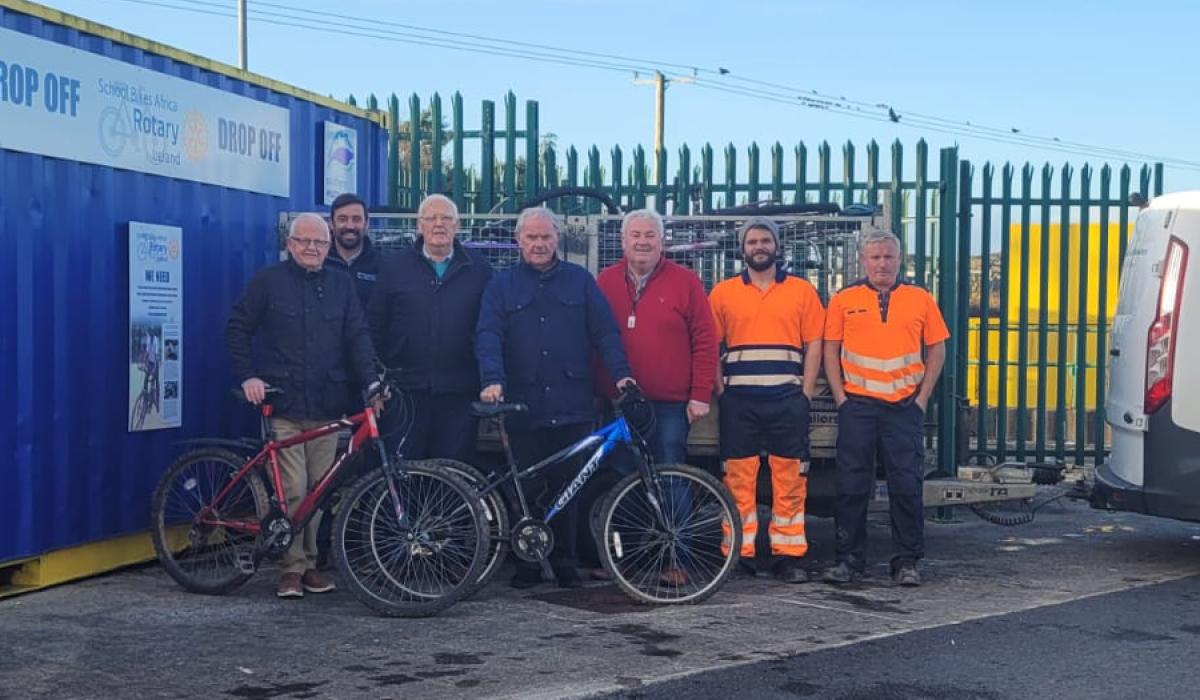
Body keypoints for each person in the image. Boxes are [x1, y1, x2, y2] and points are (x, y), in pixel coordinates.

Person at [476, 207, 634, 589]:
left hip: (572, 403)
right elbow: (488, 335)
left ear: (557, 239)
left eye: (545, 236)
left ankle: (564, 560)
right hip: (524, 405)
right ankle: (529, 561)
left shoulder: (580, 282)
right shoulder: (502, 286)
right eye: (531, 237)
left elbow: (606, 334)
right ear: (518, 241)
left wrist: (621, 376)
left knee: (571, 485)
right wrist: (492, 380)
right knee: (527, 488)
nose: (539, 243)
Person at [225, 212, 378, 599]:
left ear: (329, 248)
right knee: (293, 489)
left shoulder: (342, 286)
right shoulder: (269, 282)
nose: (311, 248)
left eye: (319, 243)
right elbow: (238, 327)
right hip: (285, 404)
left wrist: (372, 381)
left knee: (320, 490)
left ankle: (310, 563)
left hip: (328, 404)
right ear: (290, 244)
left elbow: (357, 337)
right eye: (303, 242)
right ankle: (290, 569)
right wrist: (248, 377)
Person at [591, 209, 718, 583]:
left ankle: (675, 560)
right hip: (618, 403)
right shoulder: (606, 281)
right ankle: (623, 560)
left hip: (669, 403)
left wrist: (699, 394)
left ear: (662, 242)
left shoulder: (686, 282)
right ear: (623, 241)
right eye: (635, 235)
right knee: (619, 479)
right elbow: (594, 338)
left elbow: (706, 340)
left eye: (650, 235)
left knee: (670, 477)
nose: (642, 241)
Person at [821, 229, 948, 587]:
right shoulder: (844, 299)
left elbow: (937, 348)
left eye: (888, 257)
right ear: (863, 261)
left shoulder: (920, 298)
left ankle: (907, 562)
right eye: (875, 257)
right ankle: (848, 561)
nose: (882, 264)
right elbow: (831, 349)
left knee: (906, 486)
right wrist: (841, 398)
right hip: (858, 406)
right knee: (851, 486)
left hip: (903, 407)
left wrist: (922, 398)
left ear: (899, 260)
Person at [709, 217, 824, 584]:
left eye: (765, 241)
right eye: (752, 241)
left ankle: (787, 556)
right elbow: (710, 345)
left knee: (790, 479)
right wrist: (721, 391)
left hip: (787, 398)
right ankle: (738, 555)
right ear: (742, 249)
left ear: (777, 247)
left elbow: (815, 344)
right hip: (739, 399)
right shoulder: (723, 292)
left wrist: (805, 392)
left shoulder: (802, 291)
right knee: (737, 479)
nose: (759, 247)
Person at [367, 194, 493, 462]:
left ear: (458, 225)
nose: (439, 224)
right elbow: (375, 325)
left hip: (459, 392)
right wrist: (375, 377)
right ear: (419, 225)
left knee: (454, 471)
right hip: (404, 391)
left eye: (446, 218)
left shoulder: (480, 269)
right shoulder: (393, 267)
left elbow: (491, 328)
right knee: (404, 469)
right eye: (431, 218)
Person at [325, 193, 381, 308]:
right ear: (331, 223)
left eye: (356, 219)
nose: (350, 226)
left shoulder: (383, 267)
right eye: (342, 219)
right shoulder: (319, 263)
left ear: (366, 223)